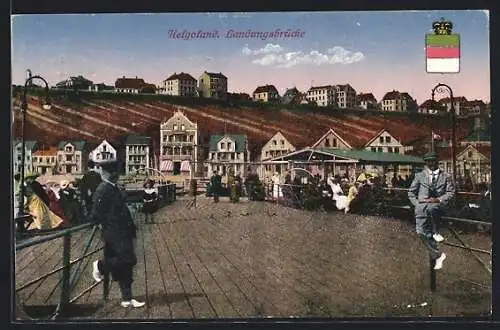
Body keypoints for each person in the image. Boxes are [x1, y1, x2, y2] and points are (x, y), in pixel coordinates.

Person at [89, 159, 145, 308]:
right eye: (112, 172)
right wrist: (104, 227)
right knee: (128, 260)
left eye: (116, 172)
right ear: (105, 173)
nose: (115, 175)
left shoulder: (113, 187)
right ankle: (100, 266)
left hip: (123, 231)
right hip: (114, 232)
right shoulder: (103, 189)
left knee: (126, 265)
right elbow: (95, 214)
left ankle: (127, 299)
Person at [408, 151, 455, 270]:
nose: (431, 164)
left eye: (433, 161)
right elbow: (411, 192)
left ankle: (436, 232)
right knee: (421, 233)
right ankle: (438, 255)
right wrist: (417, 204)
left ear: (437, 162)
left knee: (432, 211)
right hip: (422, 208)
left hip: (437, 206)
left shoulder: (446, 176)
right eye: (428, 161)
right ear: (426, 162)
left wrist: (438, 199)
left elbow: (451, 193)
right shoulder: (420, 175)